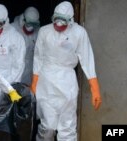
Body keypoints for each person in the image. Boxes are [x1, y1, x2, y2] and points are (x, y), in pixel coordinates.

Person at [30, 1, 102, 141]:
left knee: (67, 126)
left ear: (71, 21)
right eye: (56, 23)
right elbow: (38, 58)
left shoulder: (79, 33)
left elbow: (87, 59)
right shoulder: (44, 31)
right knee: (47, 126)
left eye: (62, 24)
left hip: (67, 82)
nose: (58, 27)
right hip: (46, 82)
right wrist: (34, 83)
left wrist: (95, 88)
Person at [11, 6, 40, 85]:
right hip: (14, 70)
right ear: (23, 19)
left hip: (30, 71)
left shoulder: (38, 32)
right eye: (28, 24)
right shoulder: (12, 29)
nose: (31, 27)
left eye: (33, 24)